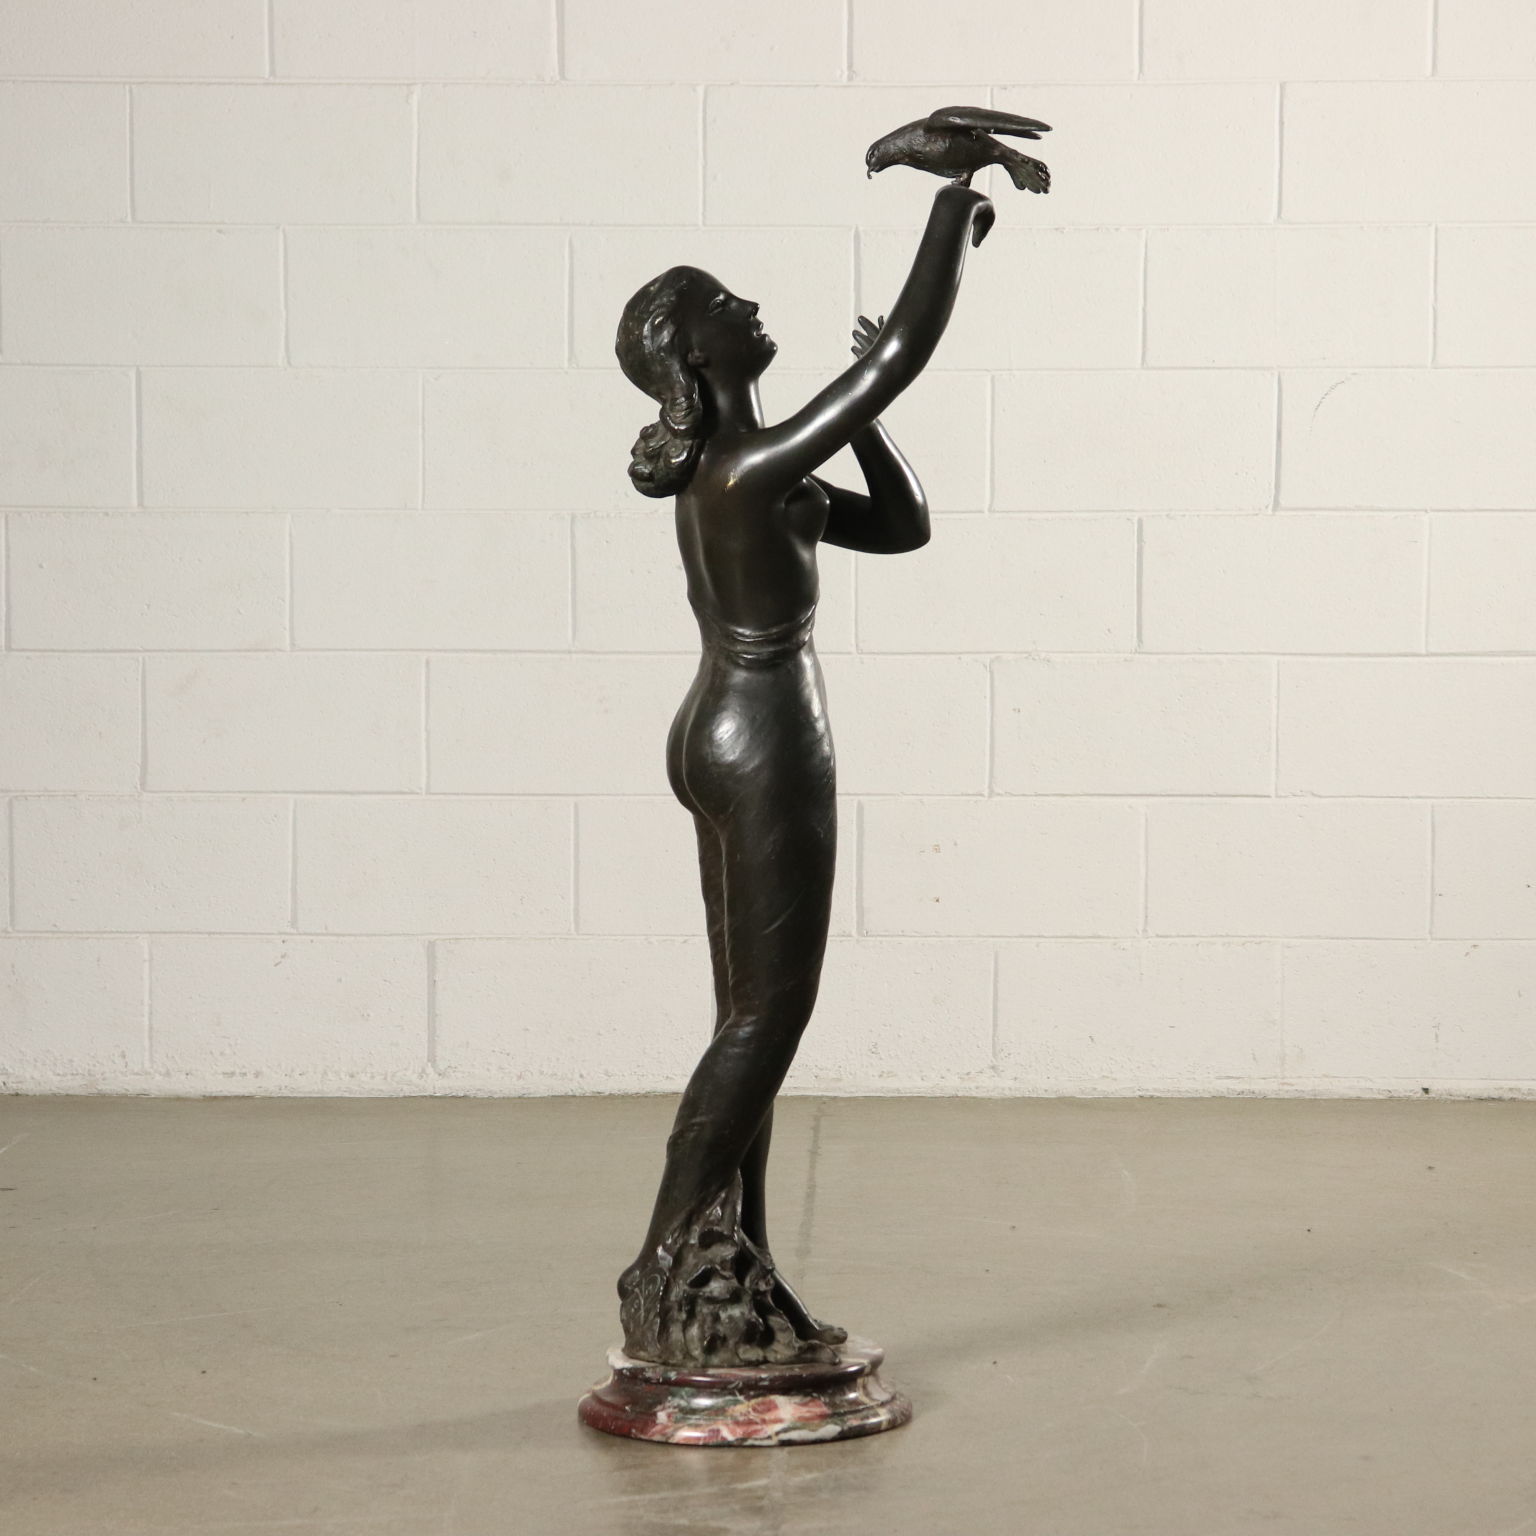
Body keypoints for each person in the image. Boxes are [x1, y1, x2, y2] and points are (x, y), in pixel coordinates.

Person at [612, 183, 994, 1366]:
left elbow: (904, 525)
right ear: (695, 355)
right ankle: (662, 1253)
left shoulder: (761, 470)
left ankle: (739, 1266)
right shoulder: (742, 469)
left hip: (718, 728)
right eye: (724, 305)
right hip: (762, 729)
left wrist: (864, 422)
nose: (750, 307)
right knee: (771, 1014)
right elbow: (902, 355)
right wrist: (951, 208)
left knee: (749, 1017)